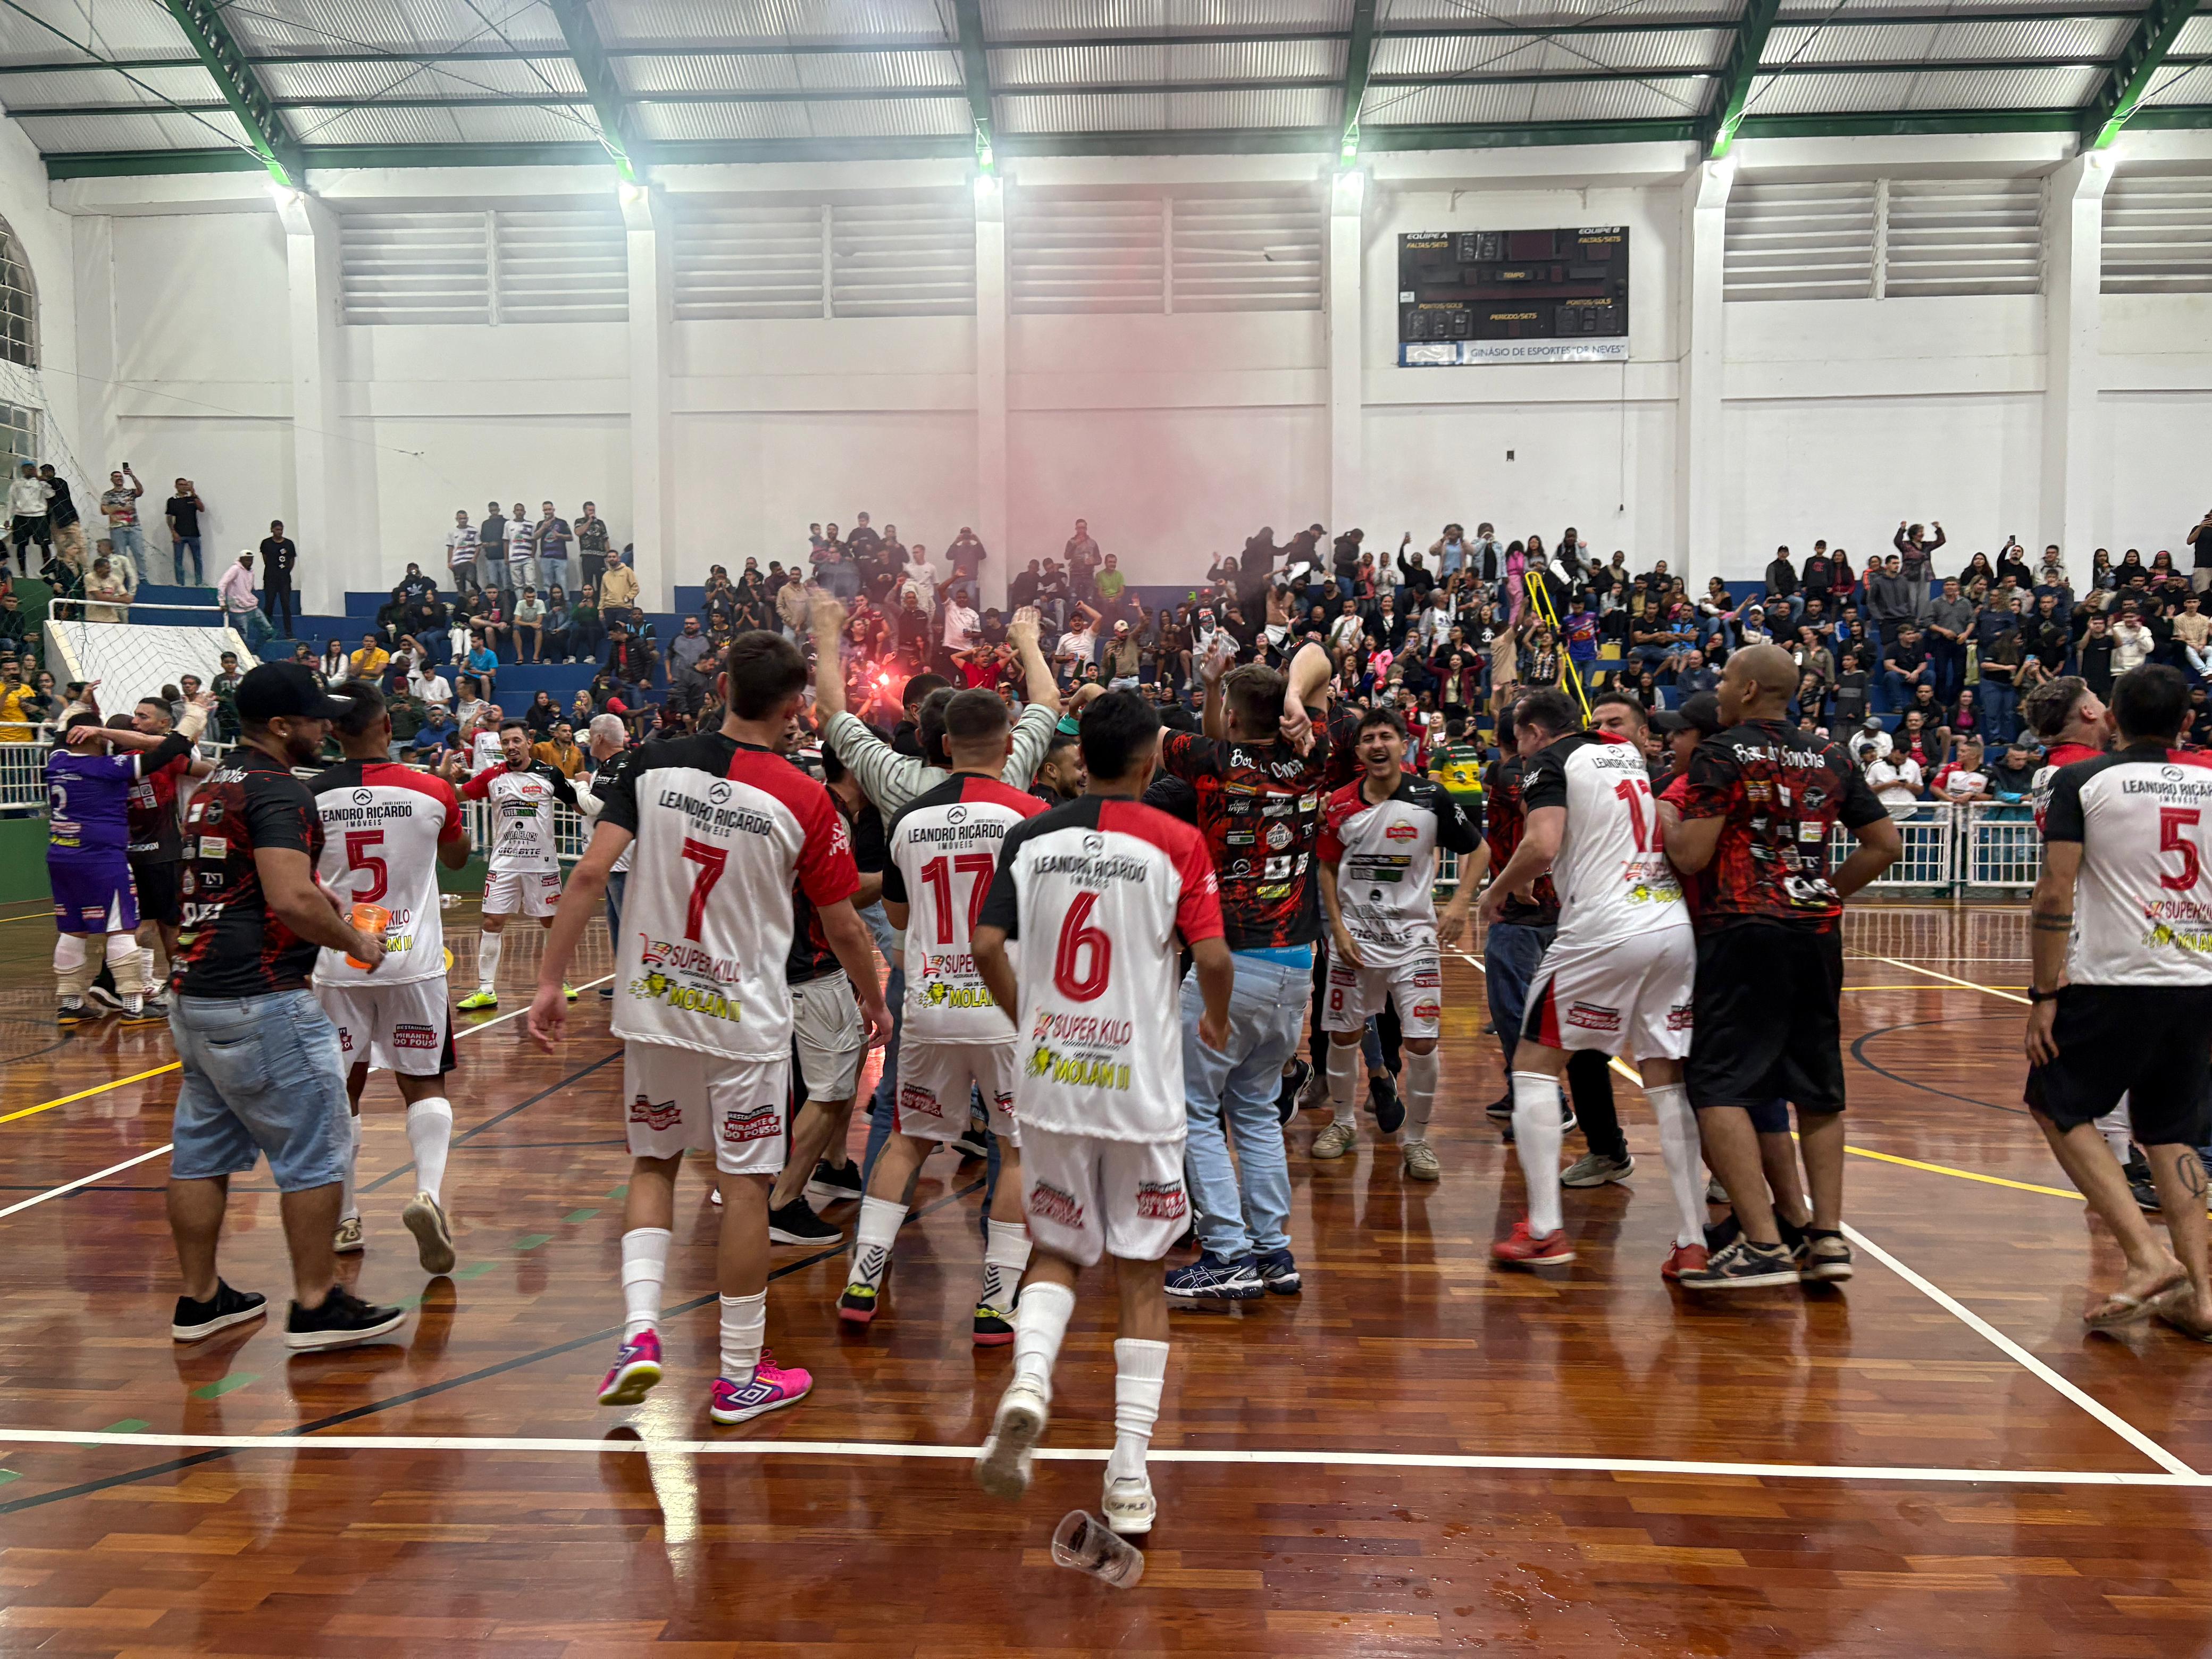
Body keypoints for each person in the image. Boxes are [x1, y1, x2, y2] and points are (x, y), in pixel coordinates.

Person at [527, 631, 891, 1425]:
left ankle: (639, 1336)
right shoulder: (804, 798)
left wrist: (551, 980)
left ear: (723, 683)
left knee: (654, 1164)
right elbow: (845, 926)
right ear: (799, 706)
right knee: (745, 1187)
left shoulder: (649, 764)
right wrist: (874, 1002)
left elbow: (590, 873)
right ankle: (737, 1374)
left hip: (654, 1007)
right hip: (744, 1021)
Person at [970, 689, 1232, 1537]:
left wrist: (1026, 1014)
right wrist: (1217, 1015)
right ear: (1153, 757)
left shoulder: (1031, 835)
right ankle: (1127, 1474)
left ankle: (1030, 1381)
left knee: (1056, 1248)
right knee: (1141, 1274)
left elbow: (982, 945)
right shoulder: (1179, 842)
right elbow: (1215, 954)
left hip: (1049, 1082)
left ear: (1079, 757)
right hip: (1140, 1093)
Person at [166, 663, 406, 1351]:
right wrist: (354, 939)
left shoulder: (215, 785)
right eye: (313, 719)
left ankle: (202, 1299)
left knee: (200, 1152)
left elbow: (240, 877)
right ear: (281, 727)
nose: (326, 728)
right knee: (317, 1148)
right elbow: (290, 899)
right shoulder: (280, 792)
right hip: (261, 997)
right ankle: (315, 1302)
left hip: (196, 992)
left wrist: (309, 894)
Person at [1660, 644, 1902, 1288]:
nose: (1716, 690)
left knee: (1716, 1086)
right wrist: (1825, 892)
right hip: (1814, 933)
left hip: (1741, 928)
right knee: (1818, 1090)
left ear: (1744, 691)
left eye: (1723, 680)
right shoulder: (1830, 754)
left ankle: (1762, 1244)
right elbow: (1884, 843)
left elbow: (1690, 856)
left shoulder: (1721, 750)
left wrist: (1662, 817)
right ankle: (1825, 1238)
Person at [1476, 689, 1711, 1278]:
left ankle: (1546, 1230)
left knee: (1531, 1067)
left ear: (1530, 733)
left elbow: (1541, 843)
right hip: (1668, 925)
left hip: (1604, 929)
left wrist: (1496, 889)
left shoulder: (1547, 762)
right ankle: (1691, 1239)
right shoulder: (1625, 754)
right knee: (1666, 1083)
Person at [841, 690, 1046, 1338]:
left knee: (906, 1141)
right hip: (1006, 1006)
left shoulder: (909, 820)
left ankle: (861, 1280)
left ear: (945, 743)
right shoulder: (1034, 814)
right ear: (1011, 743)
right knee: (1015, 1149)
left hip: (931, 1002)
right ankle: (995, 1301)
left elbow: (897, 919)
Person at [2026, 664, 2212, 1339]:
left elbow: (2054, 891)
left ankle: (2143, 1257)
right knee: (2171, 1132)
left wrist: (2043, 993)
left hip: (2116, 974)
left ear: (2111, 716)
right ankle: (2200, 1297)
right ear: (2185, 722)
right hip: (2196, 978)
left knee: (2053, 1100)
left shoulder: (2082, 781)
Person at [1153, 642, 1334, 1302]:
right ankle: (1272, 1251)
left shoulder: (1207, 762)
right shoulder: (1315, 754)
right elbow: (1317, 656)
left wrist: (1084, 698)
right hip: (1295, 968)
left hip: (1228, 963)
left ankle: (1225, 1253)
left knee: (1195, 1111)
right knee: (1255, 1111)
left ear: (1231, 717)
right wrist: (1291, 695)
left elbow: (1143, 731)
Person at [308, 680, 474, 1270]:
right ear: (387, 725)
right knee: (423, 1084)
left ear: (332, 732)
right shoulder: (432, 790)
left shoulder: (310, 797)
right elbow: (457, 860)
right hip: (413, 964)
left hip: (341, 962)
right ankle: (427, 1193)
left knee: (340, 1093)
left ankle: (347, 1217)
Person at [1314, 706, 1482, 1179]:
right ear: (1359, 749)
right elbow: (1327, 867)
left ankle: (1418, 1141)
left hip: (1414, 941)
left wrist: (1457, 904)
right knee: (1343, 1035)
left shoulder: (1431, 796)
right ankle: (1343, 1123)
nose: (1377, 745)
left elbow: (1480, 848)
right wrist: (1339, 929)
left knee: (1421, 1043)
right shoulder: (1341, 802)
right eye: (1368, 738)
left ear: (1403, 744)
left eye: (1386, 736)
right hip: (1356, 941)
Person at [47, 698, 210, 1024]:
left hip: (61, 856)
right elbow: (172, 748)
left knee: (73, 929)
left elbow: (60, 735)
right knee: (121, 929)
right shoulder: (109, 769)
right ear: (91, 738)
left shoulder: (55, 762)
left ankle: (69, 1003)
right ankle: (135, 1006)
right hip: (102, 858)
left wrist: (79, 707)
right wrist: (196, 714)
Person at [448, 722, 582, 1009]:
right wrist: (449, 779)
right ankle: (486, 990)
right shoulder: (492, 776)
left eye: (516, 741)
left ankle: (559, 982)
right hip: (504, 865)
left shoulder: (550, 774)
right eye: (506, 742)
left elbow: (581, 806)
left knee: (551, 923)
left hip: (543, 865)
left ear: (528, 741)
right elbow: (457, 795)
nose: (511, 747)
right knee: (491, 922)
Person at [123, 696, 215, 1008]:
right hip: (166, 848)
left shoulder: (120, 762)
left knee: (147, 922)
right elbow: (208, 770)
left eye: (143, 716)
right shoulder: (164, 758)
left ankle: (137, 985)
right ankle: (175, 985)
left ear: (164, 724)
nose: (137, 722)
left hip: (134, 850)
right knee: (172, 922)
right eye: (135, 718)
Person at [261, 520, 299, 638]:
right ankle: (267, 631)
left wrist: (285, 571)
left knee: (286, 605)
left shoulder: (289, 544)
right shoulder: (266, 543)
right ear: (272, 530)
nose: (280, 532)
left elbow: (292, 560)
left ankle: (288, 632)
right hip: (270, 579)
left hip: (284, 580)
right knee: (269, 605)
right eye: (277, 530)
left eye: (281, 530)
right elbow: (265, 559)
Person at [164, 477, 205, 585]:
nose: (184, 486)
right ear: (176, 486)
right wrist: (173, 532)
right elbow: (169, 518)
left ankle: (199, 583)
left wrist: (193, 493)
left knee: (198, 559)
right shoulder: (172, 501)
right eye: (181, 485)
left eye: (185, 484)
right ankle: (180, 583)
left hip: (194, 534)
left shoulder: (192, 498)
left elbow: (202, 509)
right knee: (178, 560)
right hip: (179, 534)